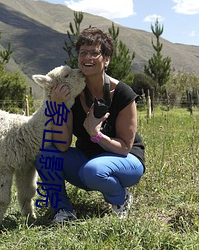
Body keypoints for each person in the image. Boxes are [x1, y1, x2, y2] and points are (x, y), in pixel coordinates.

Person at [35, 27, 145, 223]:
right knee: (44, 154)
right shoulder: (73, 93)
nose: (88, 57)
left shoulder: (122, 94)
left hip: (125, 161)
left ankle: (120, 198)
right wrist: (59, 105)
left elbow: (125, 147)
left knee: (93, 171)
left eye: (94, 53)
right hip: (88, 160)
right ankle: (63, 210)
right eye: (83, 52)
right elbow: (61, 145)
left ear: (107, 59)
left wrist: (95, 134)